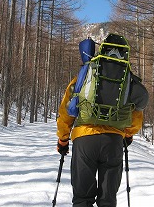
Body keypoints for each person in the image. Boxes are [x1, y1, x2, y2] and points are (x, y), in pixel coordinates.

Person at [56, 76, 144, 207]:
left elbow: (66, 110)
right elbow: (136, 112)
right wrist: (128, 134)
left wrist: (63, 139)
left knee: (82, 198)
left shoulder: (83, 76)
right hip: (113, 142)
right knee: (107, 200)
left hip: (84, 140)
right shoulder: (126, 79)